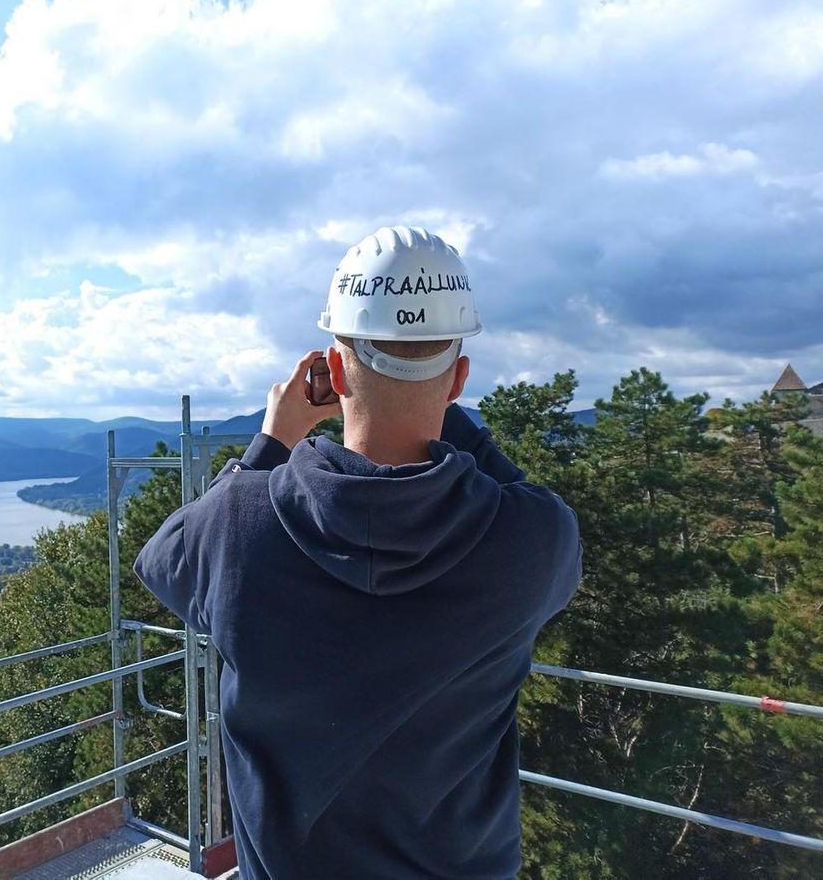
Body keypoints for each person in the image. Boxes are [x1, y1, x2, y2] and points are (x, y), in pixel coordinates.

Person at [134, 226, 582, 879]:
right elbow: (522, 493)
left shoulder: (236, 525)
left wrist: (273, 440)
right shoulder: (528, 542)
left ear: (334, 371)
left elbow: (161, 557)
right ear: (459, 379)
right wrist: (435, 405)